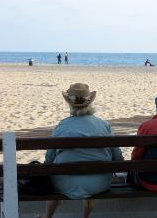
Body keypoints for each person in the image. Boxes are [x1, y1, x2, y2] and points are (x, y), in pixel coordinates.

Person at [43, 83, 123, 218]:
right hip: (98, 184)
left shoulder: (61, 126)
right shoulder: (103, 125)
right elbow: (118, 159)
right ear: (89, 102)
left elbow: (48, 160)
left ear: (70, 103)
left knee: (56, 169)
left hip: (64, 184)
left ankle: (47, 217)